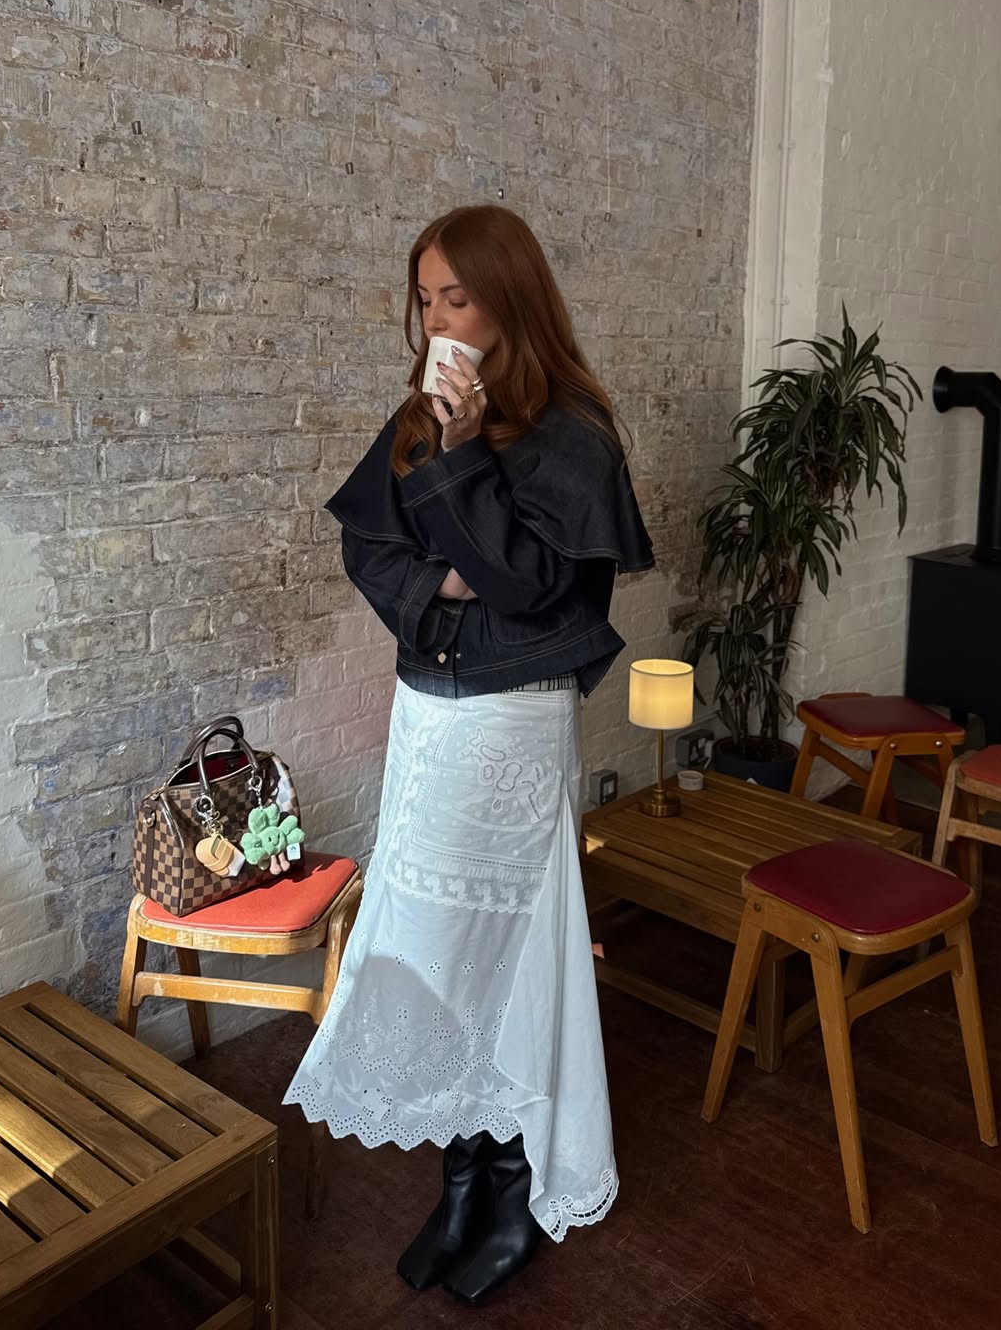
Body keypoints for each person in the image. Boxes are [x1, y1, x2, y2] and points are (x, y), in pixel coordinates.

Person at [283, 204, 654, 1305]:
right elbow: (371, 541)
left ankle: (512, 1186)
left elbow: (536, 587)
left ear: (511, 299)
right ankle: (461, 1176)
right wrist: (443, 574)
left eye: (459, 297)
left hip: (508, 724)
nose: (439, 318)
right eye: (428, 298)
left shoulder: (573, 431)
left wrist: (457, 461)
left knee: (507, 952)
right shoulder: (417, 413)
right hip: (429, 721)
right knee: (438, 945)